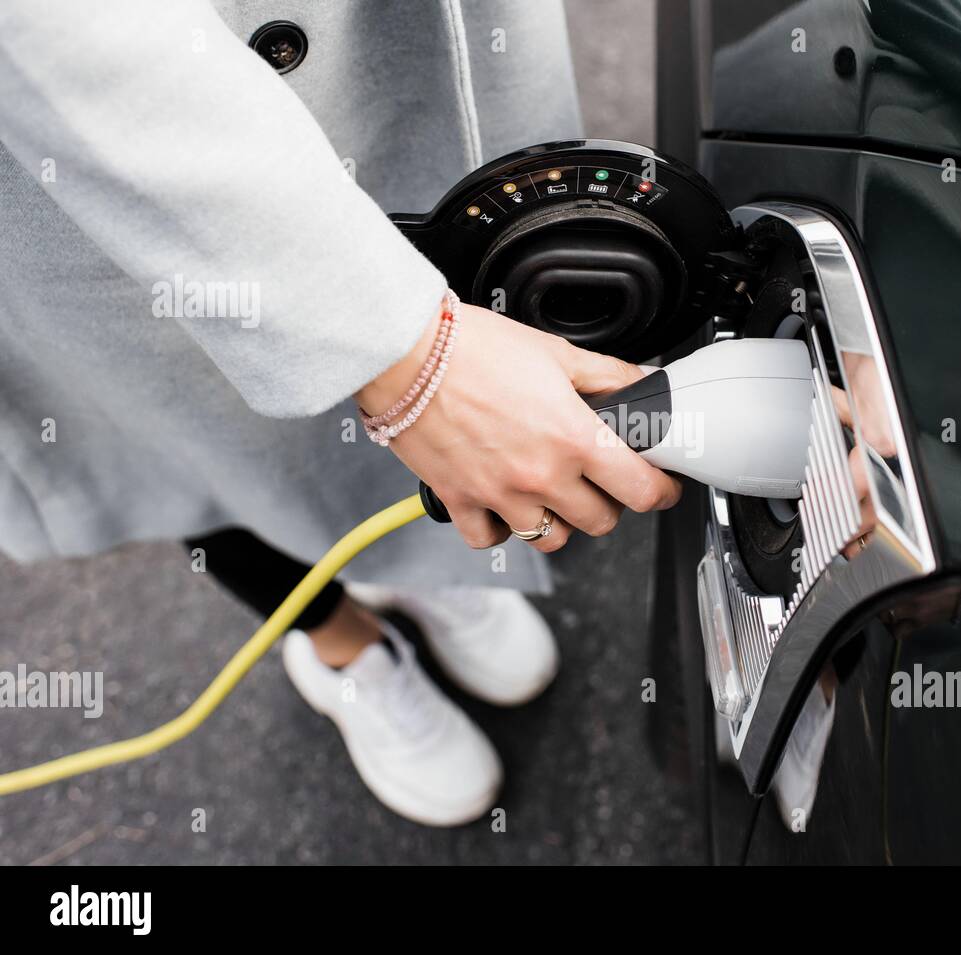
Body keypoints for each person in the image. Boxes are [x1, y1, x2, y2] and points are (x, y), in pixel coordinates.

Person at [0, 1, 679, 826]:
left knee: (450, 336)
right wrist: (408, 358)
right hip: (84, 144)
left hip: (377, 49)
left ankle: (418, 568)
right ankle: (342, 644)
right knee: (195, 432)